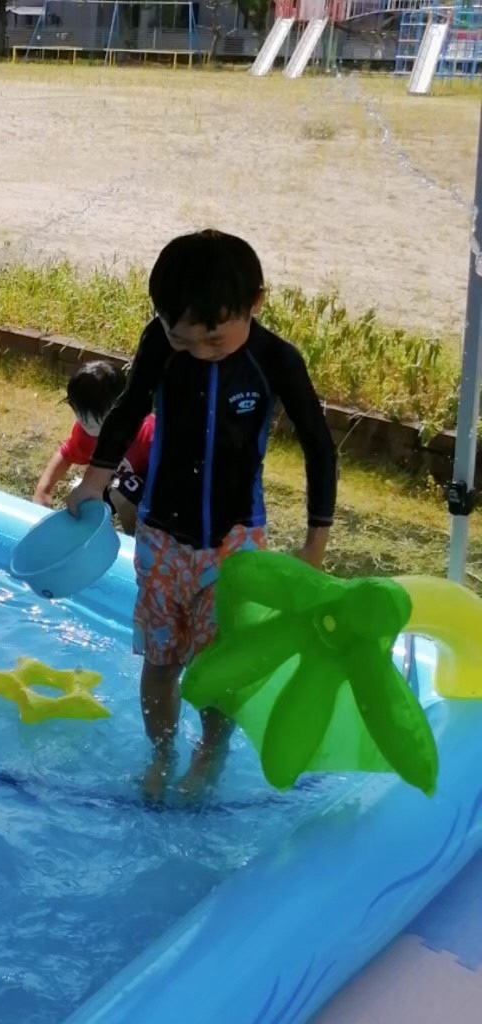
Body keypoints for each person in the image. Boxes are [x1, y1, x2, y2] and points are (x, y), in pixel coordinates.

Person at [67, 230, 337, 804]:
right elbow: (128, 407)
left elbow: (319, 444)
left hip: (235, 543)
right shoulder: (162, 346)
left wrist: (316, 542)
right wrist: (94, 480)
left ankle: (210, 750)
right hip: (160, 535)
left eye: (213, 339)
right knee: (161, 662)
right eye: (180, 337)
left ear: (254, 303)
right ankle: (162, 752)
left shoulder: (273, 360)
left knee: (219, 668)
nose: (198, 350)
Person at [32, 360, 154, 534]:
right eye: (82, 419)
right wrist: (43, 489)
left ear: (122, 411)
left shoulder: (147, 434)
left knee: (123, 492)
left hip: (147, 490)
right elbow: (66, 454)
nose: (87, 427)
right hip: (112, 482)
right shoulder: (87, 432)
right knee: (81, 496)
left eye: (95, 422)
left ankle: (134, 538)